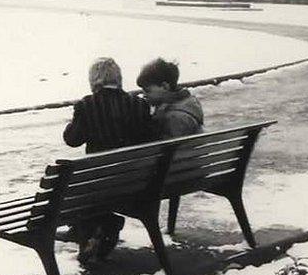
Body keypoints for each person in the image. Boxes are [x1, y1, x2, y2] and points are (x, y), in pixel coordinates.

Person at [63, 58, 155, 263]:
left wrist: (75, 120)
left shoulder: (87, 105)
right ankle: (103, 226)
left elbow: (72, 140)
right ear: (118, 79)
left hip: (99, 186)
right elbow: (150, 138)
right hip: (136, 183)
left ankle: (96, 228)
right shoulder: (138, 104)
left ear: (94, 81)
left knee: (75, 187)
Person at [136, 58, 204, 139]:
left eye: (148, 91)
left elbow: (167, 147)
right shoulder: (189, 102)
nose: (144, 94)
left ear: (165, 86)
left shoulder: (175, 117)